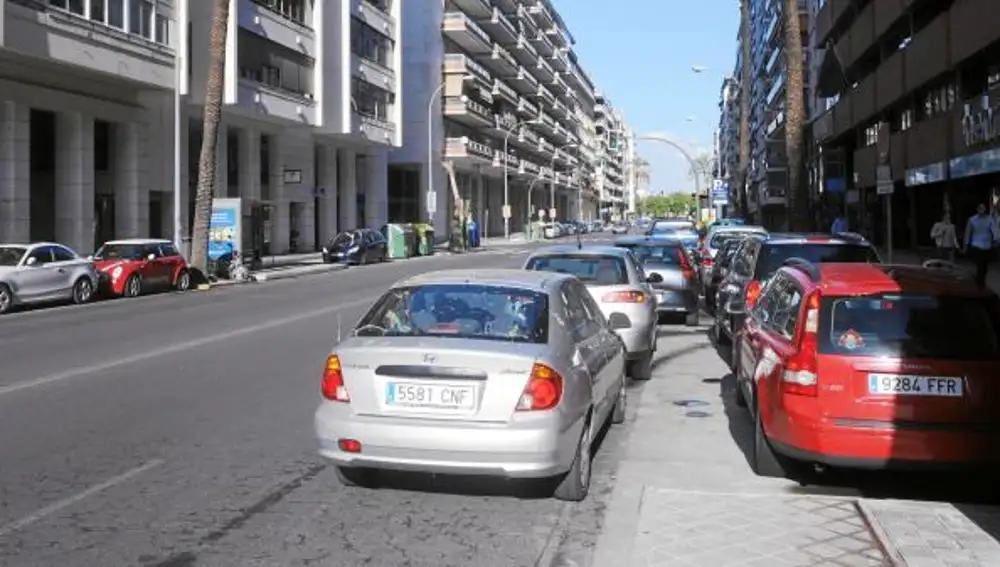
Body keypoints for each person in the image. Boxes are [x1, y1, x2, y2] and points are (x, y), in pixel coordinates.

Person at [962, 203, 998, 288]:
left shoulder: (989, 219)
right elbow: (968, 233)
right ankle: (980, 283)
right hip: (976, 245)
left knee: (984, 267)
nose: (981, 210)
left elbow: (994, 230)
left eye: (983, 208)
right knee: (980, 265)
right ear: (977, 209)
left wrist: (996, 239)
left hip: (987, 245)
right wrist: (966, 245)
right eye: (980, 208)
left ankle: (980, 279)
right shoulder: (972, 220)